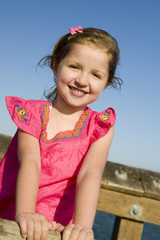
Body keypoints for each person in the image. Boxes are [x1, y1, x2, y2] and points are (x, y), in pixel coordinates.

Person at [0, 26, 122, 240]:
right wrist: (26, 213)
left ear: (107, 82)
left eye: (96, 74)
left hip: (59, 224)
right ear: (56, 66)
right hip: (15, 211)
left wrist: (82, 226)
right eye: (74, 67)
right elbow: (31, 161)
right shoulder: (33, 114)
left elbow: (90, 174)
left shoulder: (100, 127)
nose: (82, 81)